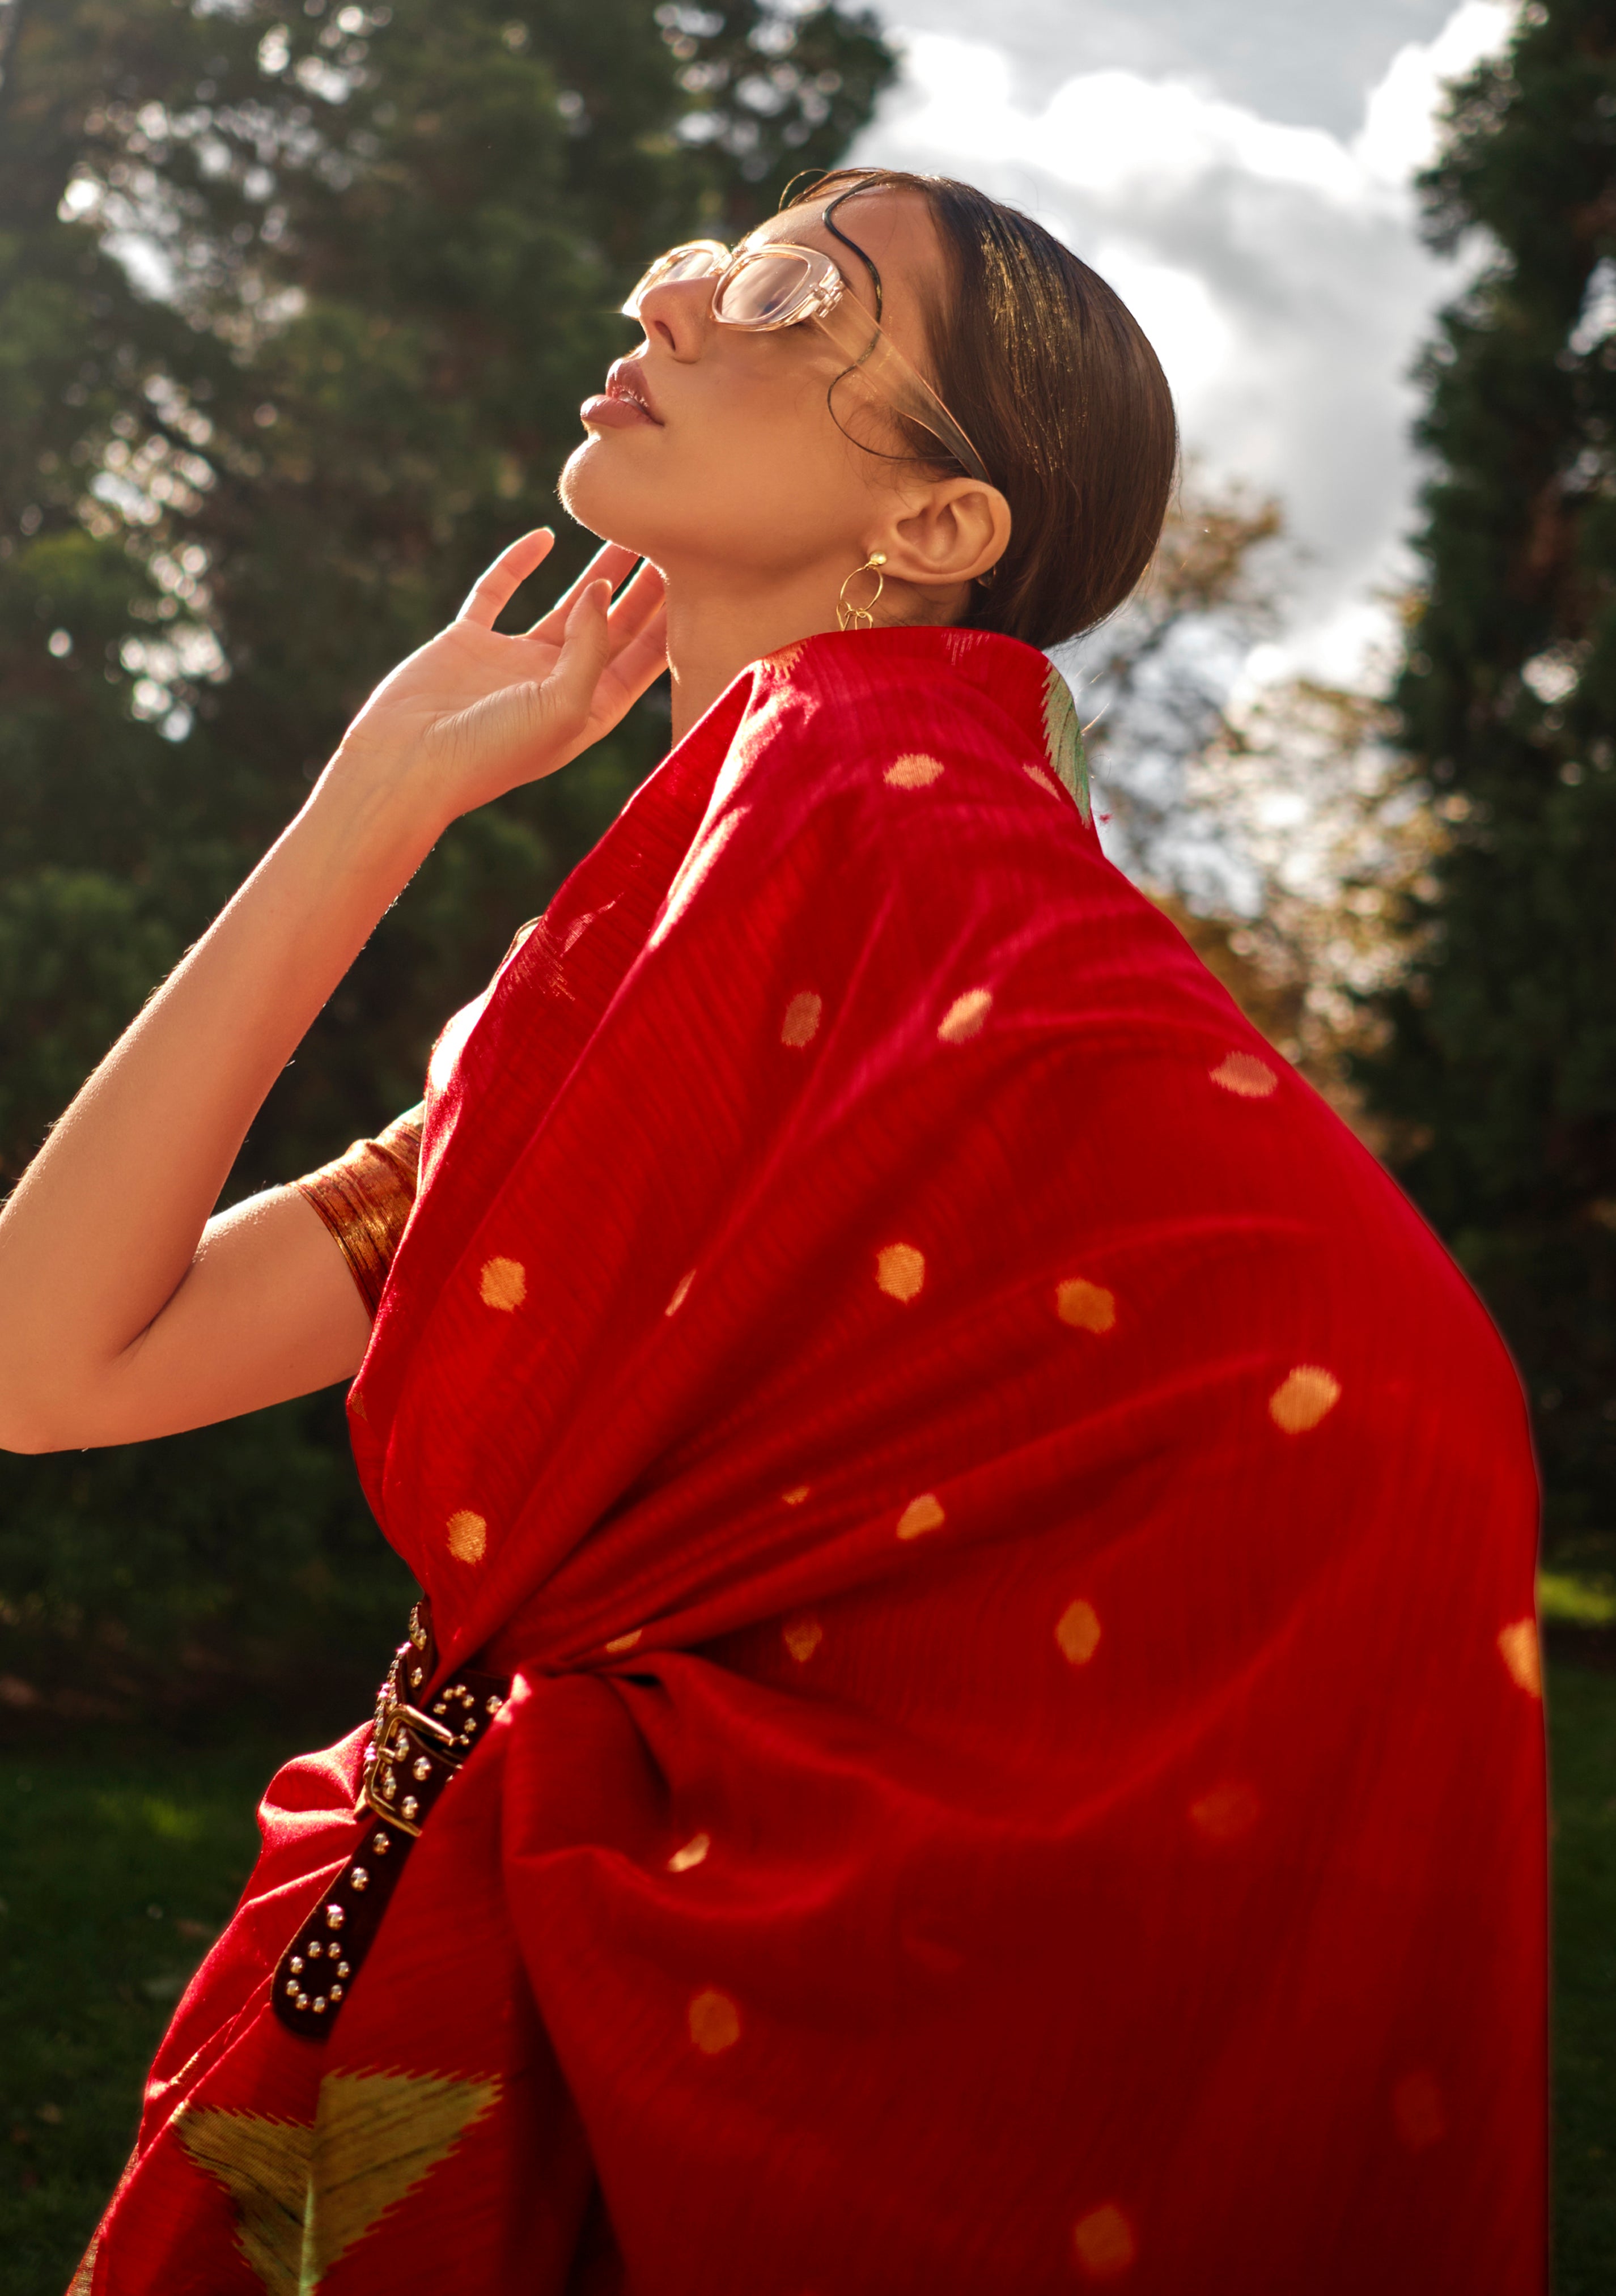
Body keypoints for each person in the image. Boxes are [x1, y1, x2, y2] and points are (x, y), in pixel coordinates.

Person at [0, 167, 1544, 2296]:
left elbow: (1376, 1373)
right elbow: (42, 1354)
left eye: (798, 290)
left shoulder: (915, 863)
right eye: (709, 259)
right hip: (439, 1969)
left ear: (935, 528)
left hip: (715, 1994)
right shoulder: (631, 997)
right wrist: (376, 792)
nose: (678, 294)